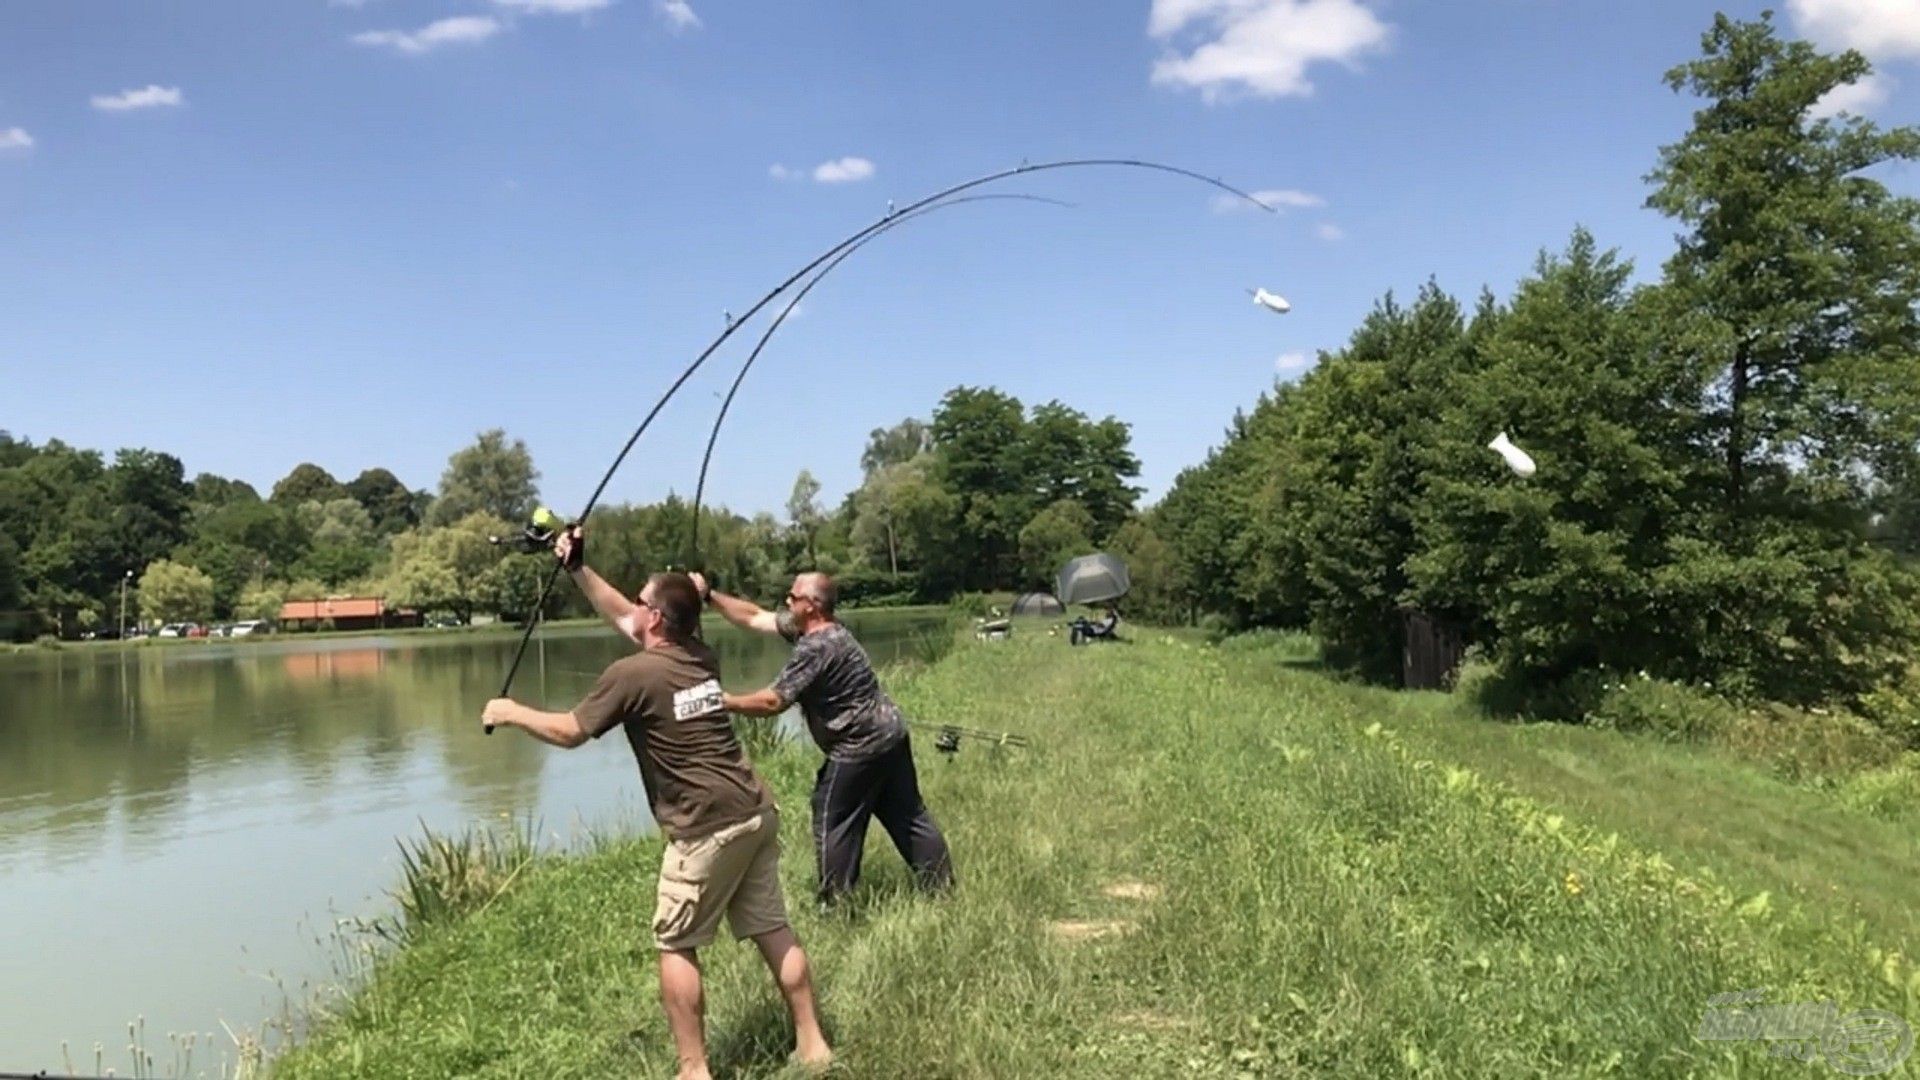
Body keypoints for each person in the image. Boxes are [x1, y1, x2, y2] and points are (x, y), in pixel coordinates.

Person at [483, 535, 830, 1080]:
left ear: (659, 620)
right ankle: (813, 1044)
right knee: (772, 928)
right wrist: (579, 570)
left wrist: (510, 711)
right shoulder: (700, 655)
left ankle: (693, 1071)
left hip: (703, 828)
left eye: (645, 602)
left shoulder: (633, 675)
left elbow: (572, 732)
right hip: (754, 811)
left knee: (676, 944)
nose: (636, 608)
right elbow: (631, 616)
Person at [706, 572, 955, 905]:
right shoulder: (825, 631)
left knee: (832, 816)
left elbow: (773, 701)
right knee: (907, 814)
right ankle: (942, 887)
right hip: (890, 735)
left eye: (793, 597)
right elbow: (753, 617)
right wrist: (708, 595)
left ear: (811, 606)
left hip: (859, 746)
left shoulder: (817, 646)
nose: (787, 601)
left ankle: (835, 903)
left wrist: (723, 700)